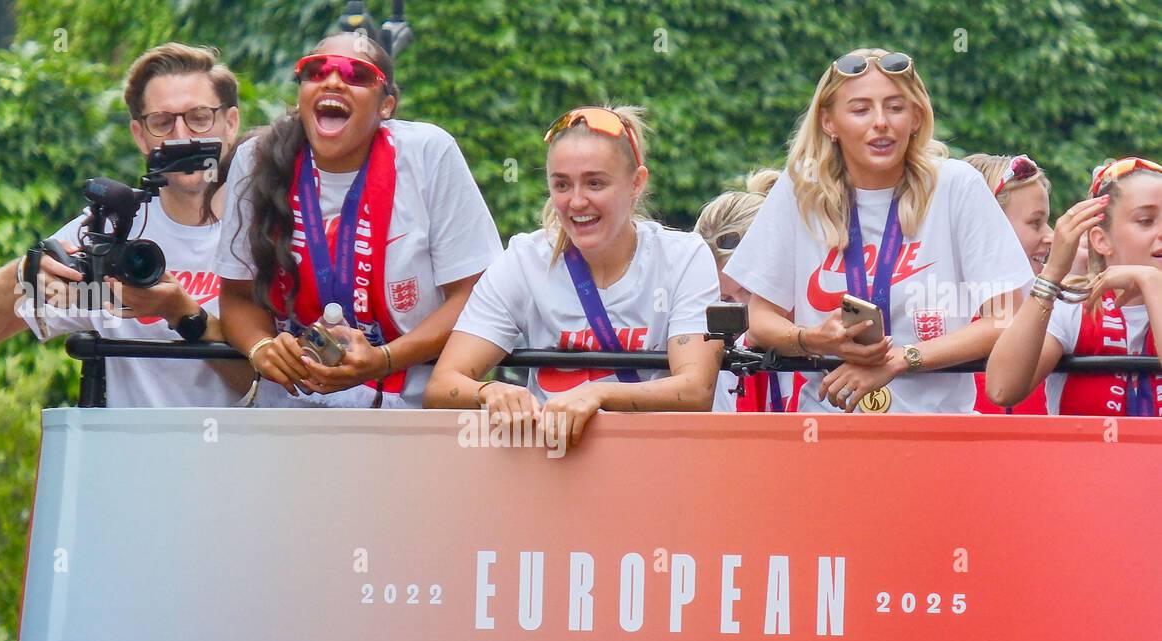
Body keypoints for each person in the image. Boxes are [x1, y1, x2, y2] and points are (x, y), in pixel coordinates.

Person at [723, 49, 1036, 414]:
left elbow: (1005, 318)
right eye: (860, 110)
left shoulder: (956, 185)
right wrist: (812, 339)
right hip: (824, 433)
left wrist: (903, 359)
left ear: (916, 117)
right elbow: (760, 321)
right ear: (828, 122)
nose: (881, 122)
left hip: (936, 436)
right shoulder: (799, 189)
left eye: (895, 107)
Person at [0, 43, 252, 407]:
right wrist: (23, 274)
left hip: (236, 457)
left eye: (199, 118)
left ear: (230, 123)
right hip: (128, 456)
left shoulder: (264, 225)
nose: (182, 136)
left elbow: (270, 386)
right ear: (140, 136)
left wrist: (181, 312)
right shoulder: (110, 229)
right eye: (162, 122)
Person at [214, 32, 501, 408]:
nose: (333, 81)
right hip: (289, 409)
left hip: (407, 408)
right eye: (315, 72)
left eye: (357, 75)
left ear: (387, 106)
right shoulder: (256, 160)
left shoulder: (428, 153)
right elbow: (236, 296)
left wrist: (384, 360)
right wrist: (262, 347)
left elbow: (475, 294)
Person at [423, 105, 723, 448]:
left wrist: (597, 394)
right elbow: (442, 385)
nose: (576, 201)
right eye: (561, 185)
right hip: (555, 473)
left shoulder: (684, 256)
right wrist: (492, 391)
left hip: (654, 466)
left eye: (595, 183)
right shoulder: (524, 259)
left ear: (637, 183)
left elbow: (696, 389)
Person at [986, 157, 1162, 416]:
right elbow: (1002, 389)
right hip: (1086, 458)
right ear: (1101, 241)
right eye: (1146, 221)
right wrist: (1053, 272)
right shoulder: (1073, 307)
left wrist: (1151, 283)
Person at [693, 169, 804, 412]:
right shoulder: (712, 358)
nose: (745, 316)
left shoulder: (830, 333)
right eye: (725, 301)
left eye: (752, 293)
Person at [963, 152, 1053, 414]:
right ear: (988, 227)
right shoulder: (940, 309)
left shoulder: (1053, 305)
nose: (1051, 236)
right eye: (1036, 223)